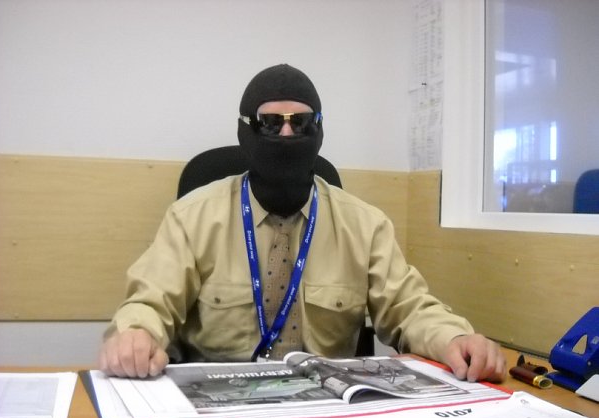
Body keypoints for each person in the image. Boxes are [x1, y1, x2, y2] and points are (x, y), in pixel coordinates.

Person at [99, 64, 506, 383]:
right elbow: (150, 303)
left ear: (319, 130)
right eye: (270, 123)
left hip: (327, 407)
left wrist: (454, 338)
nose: (286, 134)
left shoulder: (365, 226)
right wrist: (136, 335)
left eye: (301, 122)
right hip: (218, 403)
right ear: (246, 131)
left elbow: (410, 309)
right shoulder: (192, 218)